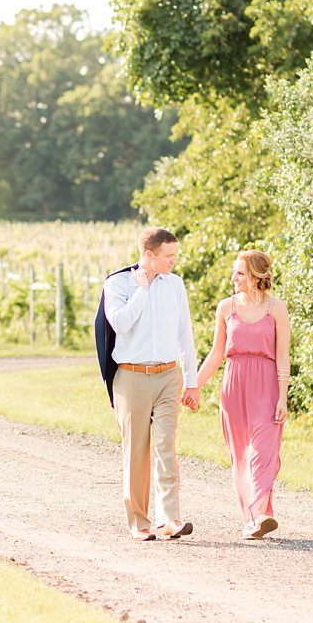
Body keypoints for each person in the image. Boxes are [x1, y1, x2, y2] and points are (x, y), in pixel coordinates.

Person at [96, 226, 201, 541]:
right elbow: (121, 323)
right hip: (131, 377)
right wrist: (142, 289)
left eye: (174, 255)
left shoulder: (175, 284)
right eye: (168, 256)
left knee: (165, 446)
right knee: (136, 451)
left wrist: (192, 382)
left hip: (168, 376)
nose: (173, 261)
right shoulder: (117, 284)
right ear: (149, 255)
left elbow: (185, 333)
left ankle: (169, 519)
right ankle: (139, 522)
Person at [195, 249, 290, 539]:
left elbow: (283, 356)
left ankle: (260, 514)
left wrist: (283, 397)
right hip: (234, 386)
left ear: (254, 276)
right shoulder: (226, 308)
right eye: (234, 272)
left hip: (266, 385)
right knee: (241, 456)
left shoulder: (277, 310)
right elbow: (216, 354)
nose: (233, 278)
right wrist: (193, 386)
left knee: (264, 452)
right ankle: (253, 520)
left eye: (239, 273)